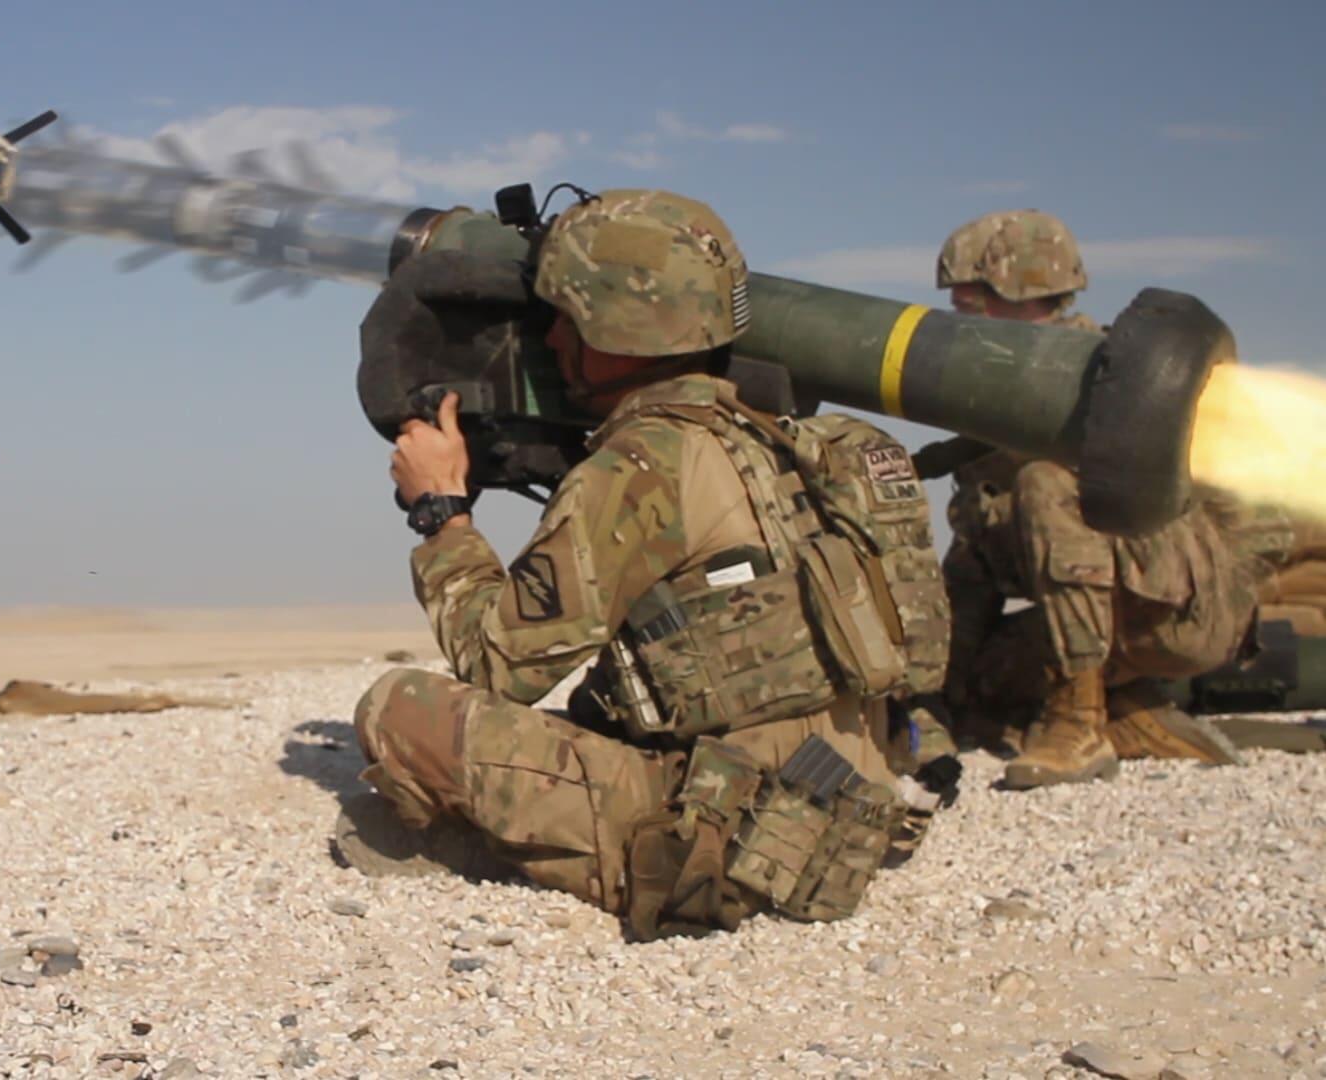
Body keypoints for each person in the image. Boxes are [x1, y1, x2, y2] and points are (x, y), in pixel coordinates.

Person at [347, 189, 949, 938]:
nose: (553, 339)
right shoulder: (805, 443)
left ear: (614, 334)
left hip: (733, 842)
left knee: (400, 709)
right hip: (848, 806)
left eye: (566, 319)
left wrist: (442, 513)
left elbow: (495, 662)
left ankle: (502, 850)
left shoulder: (642, 466)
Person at [928, 210, 1288, 787]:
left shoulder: (1119, 379)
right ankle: (1130, 717)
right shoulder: (995, 406)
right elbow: (971, 571)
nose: (957, 325)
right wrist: (938, 698)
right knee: (978, 687)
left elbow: (1255, 516)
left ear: (1015, 292)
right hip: (1101, 623)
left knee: (1046, 483)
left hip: (1182, 610)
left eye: (967, 308)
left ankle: (1079, 723)